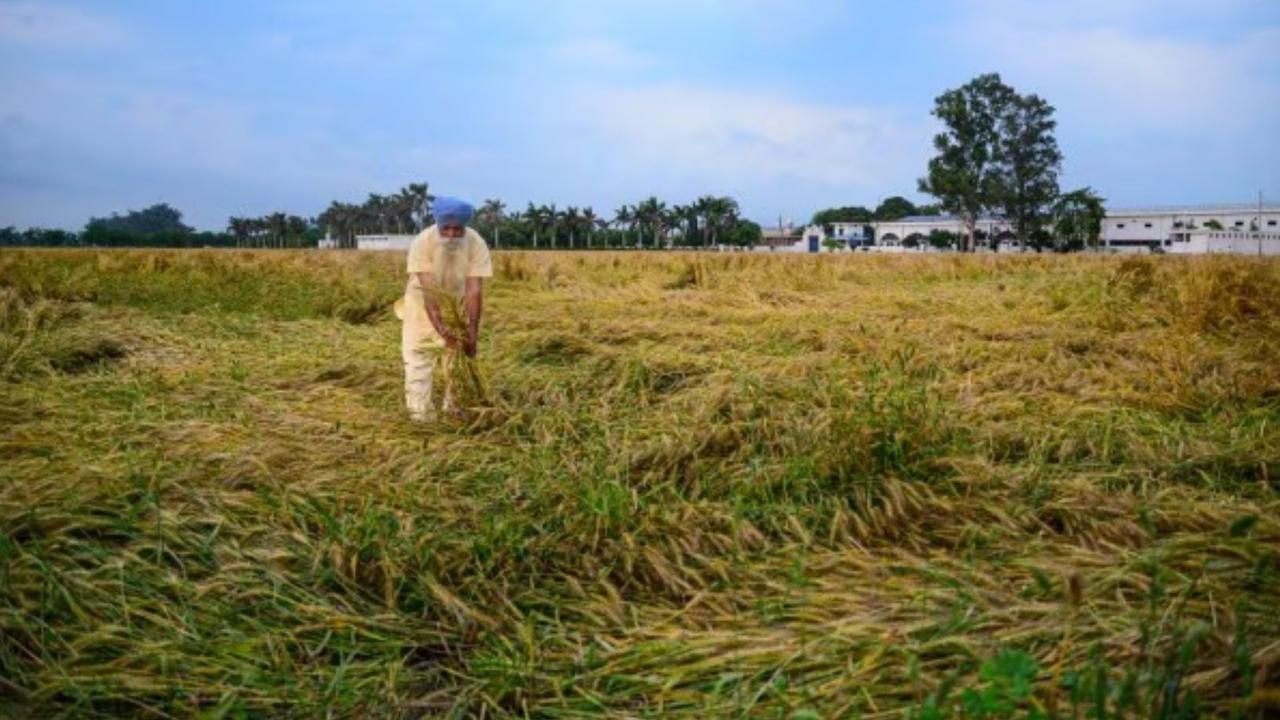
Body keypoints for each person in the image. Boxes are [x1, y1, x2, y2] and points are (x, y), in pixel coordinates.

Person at [401, 196, 493, 421]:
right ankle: (420, 417)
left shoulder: (476, 243)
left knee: (455, 362)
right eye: (446, 229)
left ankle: (454, 412)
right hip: (421, 306)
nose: (451, 235)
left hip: (457, 306)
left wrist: (472, 332)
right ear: (438, 224)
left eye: (457, 230)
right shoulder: (422, 241)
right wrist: (441, 329)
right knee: (418, 360)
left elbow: (474, 290)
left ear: (465, 226)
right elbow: (429, 291)